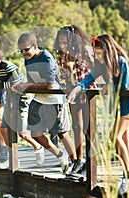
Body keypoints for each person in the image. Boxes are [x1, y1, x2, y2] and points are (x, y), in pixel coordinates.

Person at [67, 34, 129, 193]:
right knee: (124, 140)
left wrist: (108, 87)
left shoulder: (121, 62)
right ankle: (127, 175)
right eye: (95, 53)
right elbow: (87, 80)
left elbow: (126, 85)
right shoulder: (101, 65)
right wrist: (75, 90)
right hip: (118, 106)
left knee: (115, 137)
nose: (97, 56)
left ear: (108, 51)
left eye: (99, 53)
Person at [13, 32, 77, 173]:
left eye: (26, 49)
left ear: (35, 46)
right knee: (35, 133)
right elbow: (32, 81)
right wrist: (20, 85)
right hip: (38, 98)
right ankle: (60, 155)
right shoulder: (28, 59)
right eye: (21, 50)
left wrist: (27, 87)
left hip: (54, 99)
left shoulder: (47, 59)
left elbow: (50, 85)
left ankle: (76, 163)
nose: (23, 53)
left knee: (61, 133)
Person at [0, 44, 45, 169]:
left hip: (22, 100)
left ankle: (37, 147)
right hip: (10, 101)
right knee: (4, 129)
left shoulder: (8, 67)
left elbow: (17, 84)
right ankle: (13, 159)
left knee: (21, 132)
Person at [54, 25, 97, 174]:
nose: (63, 45)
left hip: (88, 92)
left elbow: (96, 70)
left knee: (88, 128)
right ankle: (79, 160)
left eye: (66, 42)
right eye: (60, 42)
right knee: (76, 126)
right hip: (73, 93)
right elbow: (64, 76)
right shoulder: (61, 55)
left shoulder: (85, 50)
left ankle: (92, 162)